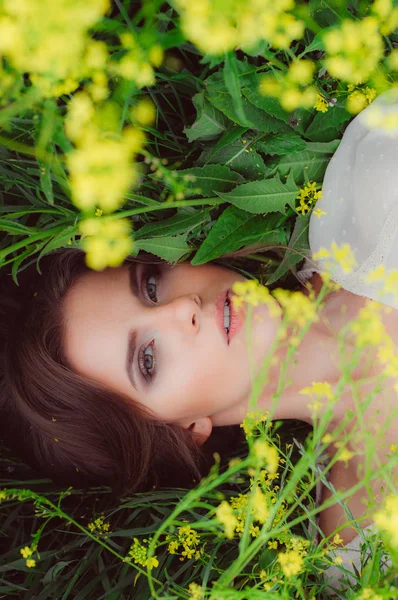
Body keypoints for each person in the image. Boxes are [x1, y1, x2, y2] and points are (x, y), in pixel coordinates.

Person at [0, 88, 397, 593]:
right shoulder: (363, 545)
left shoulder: (376, 191)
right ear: (186, 430)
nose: (181, 310)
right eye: (147, 359)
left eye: (150, 287)